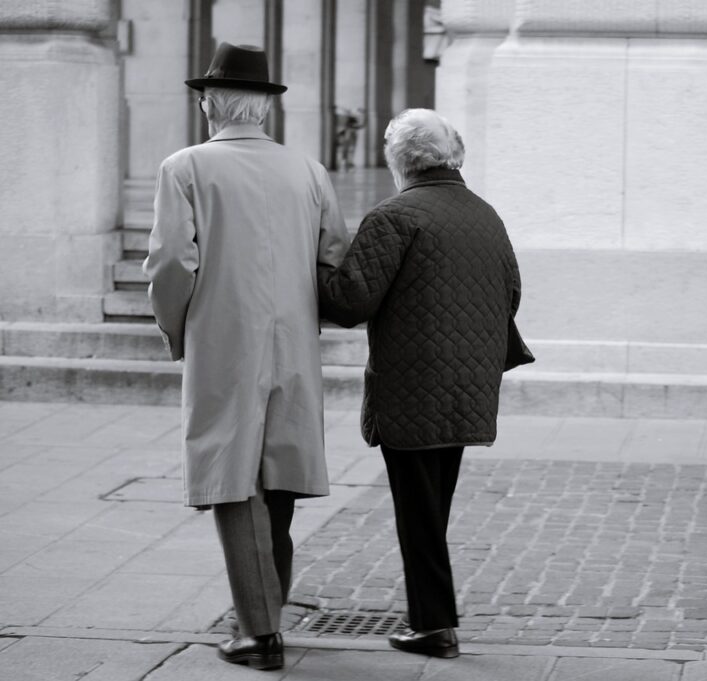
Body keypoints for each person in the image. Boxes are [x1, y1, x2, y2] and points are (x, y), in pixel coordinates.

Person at [142, 42, 349, 671]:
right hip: (292, 340)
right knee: (278, 476)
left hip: (224, 340)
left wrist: (178, 330)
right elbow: (334, 255)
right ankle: (265, 613)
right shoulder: (309, 170)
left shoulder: (185, 167)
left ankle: (259, 633)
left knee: (233, 480)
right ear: (262, 106)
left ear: (210, 102)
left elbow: (172, 263)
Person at [317, 108, 523, 659]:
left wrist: (316, 263)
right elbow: (512, 293)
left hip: (412, 385)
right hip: (468, 384)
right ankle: (429, 619)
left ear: (397, 160)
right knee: (432, 504)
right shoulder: (485, 214)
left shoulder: (394, 216)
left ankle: (434, 626)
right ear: (454, 157)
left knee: (419, 509)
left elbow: (347, 302)